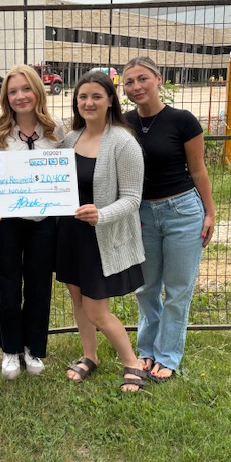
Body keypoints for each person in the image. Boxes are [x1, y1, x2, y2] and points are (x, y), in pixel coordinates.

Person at [123, 56, 215, 381]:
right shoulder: (123, 123)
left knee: (177, 290)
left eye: (142, 78)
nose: (136, 86)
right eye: (129, 82)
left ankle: (168, 355)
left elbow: (198, 170)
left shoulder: (183, 121)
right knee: (146, 288)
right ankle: (147, 349)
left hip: (183, 212)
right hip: (142, 214)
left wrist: (209, 213)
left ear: (158, 79)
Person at [56, 71, 148, 392]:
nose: (89, 102)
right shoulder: (71, 139)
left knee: (97, 309)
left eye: (97, 96)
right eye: (83, 96)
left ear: (110, 100)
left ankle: (132, 363)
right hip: (71, 235)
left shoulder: (123, 142)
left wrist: (101, 215)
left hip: (101, 237)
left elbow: (133, 199)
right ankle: (90, 356)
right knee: (78, 300)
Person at [0, 64, 64, 379]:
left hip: (43, 218)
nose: (20, 96)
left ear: (38, 91)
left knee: (39, 283)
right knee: (8, 282)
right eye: (12, 91)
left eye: (26, 89)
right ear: (6, 97)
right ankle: (10, 348)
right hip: (6, 219)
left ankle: (33, 347)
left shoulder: (56, 130)